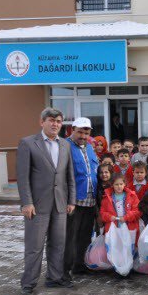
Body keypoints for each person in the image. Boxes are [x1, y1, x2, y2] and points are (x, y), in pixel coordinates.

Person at [17, 108, 75, 295]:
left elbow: (69, 176)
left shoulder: (65, 144)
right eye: (51, 120)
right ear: (42, 122)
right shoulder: (28, 143)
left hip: (60, 204)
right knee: (34, 246)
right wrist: (27, 203)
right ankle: (28, 283)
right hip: (37, 205)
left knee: (58, 244)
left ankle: (54, 278)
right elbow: (22, 177)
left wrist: (71, 200)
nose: (55, 124)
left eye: (58, 121)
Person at [63, 117, 99, 283]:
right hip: (74, 201)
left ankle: (79, 265)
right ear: (72, 130)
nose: (83, 135)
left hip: (90, 200)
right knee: (70, 237)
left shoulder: (90, 147)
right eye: (80, 132)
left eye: (86, 132)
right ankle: (65, 271)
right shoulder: (64, 146)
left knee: (85, 236)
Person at [99, 173, 141, 275]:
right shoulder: (107, 197)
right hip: (113, 228)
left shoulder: (132, 195)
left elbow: (137, 211)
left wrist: (126, 217)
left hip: (129, 227)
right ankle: (117, 268)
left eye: (121, 184)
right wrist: (110, 217)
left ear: (124, 184)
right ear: (112, 185)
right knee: (116, 247)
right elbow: (102, 213)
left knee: (128, 248)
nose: (119, 187)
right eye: (116, 184)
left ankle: (128, 268)